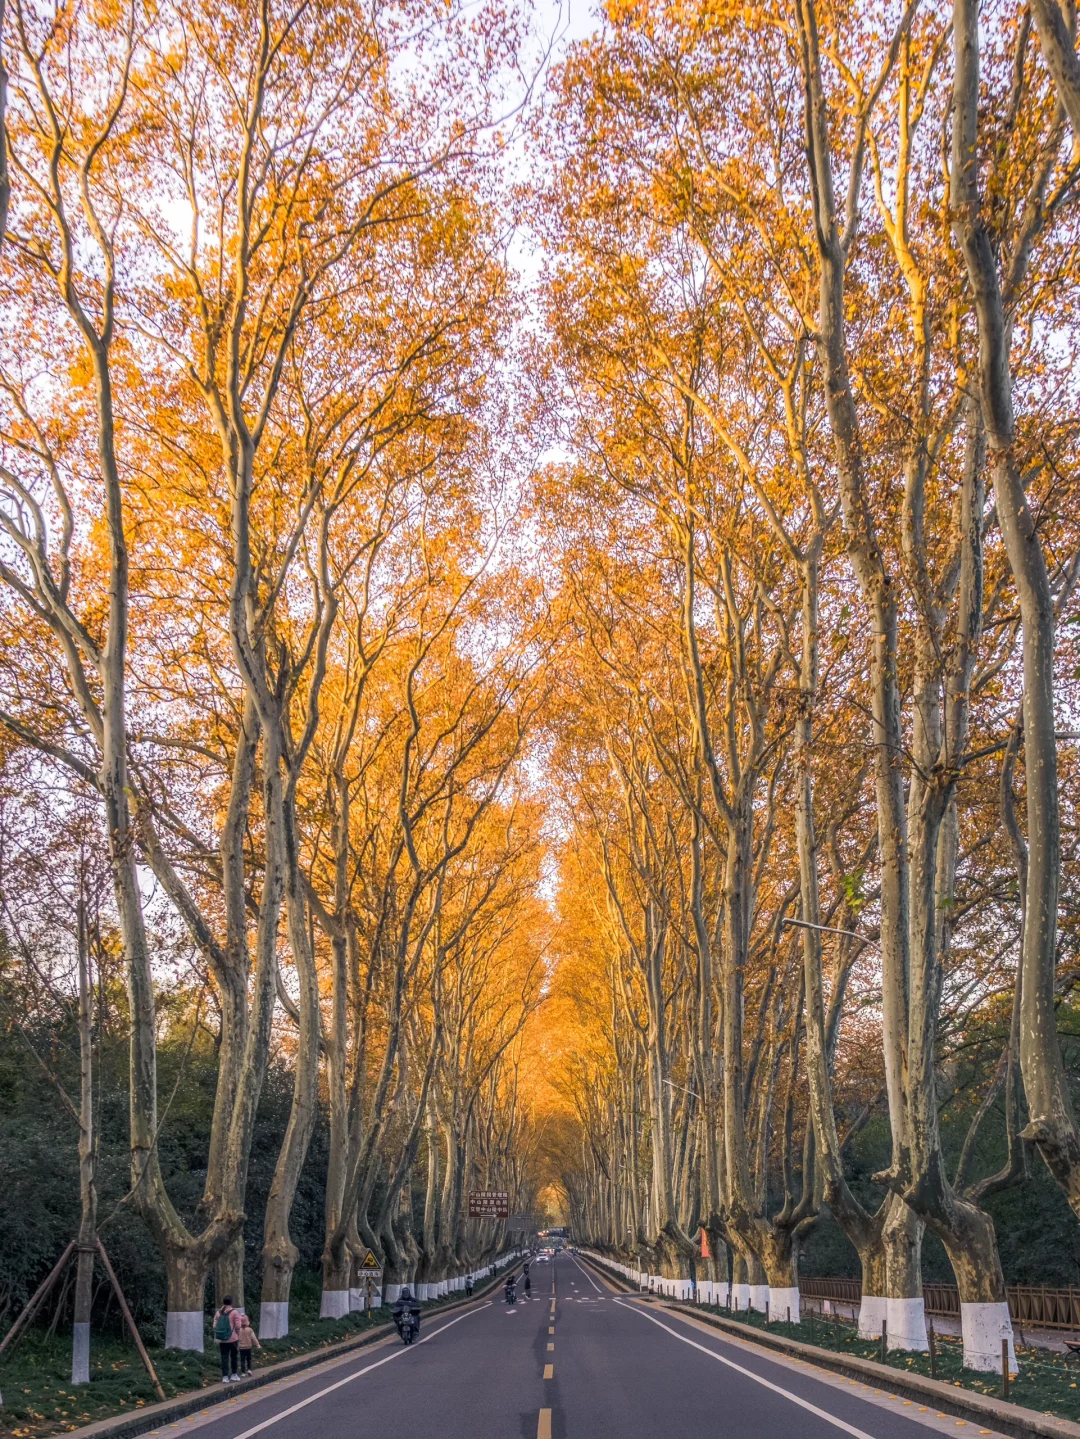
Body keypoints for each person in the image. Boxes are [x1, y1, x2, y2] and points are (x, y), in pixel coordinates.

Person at [213, 1296, 241, 1383]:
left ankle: (225, 1377)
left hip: (222, 1339)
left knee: (224, 1357)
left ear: (223, 1302)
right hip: (233, 1339)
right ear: (231, 1302)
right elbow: (238, 1326)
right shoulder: (235, 1312)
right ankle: (234, 1374)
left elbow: (214, 1325)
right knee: (234, 1357)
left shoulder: (219, 1312)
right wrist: (237, 1334)